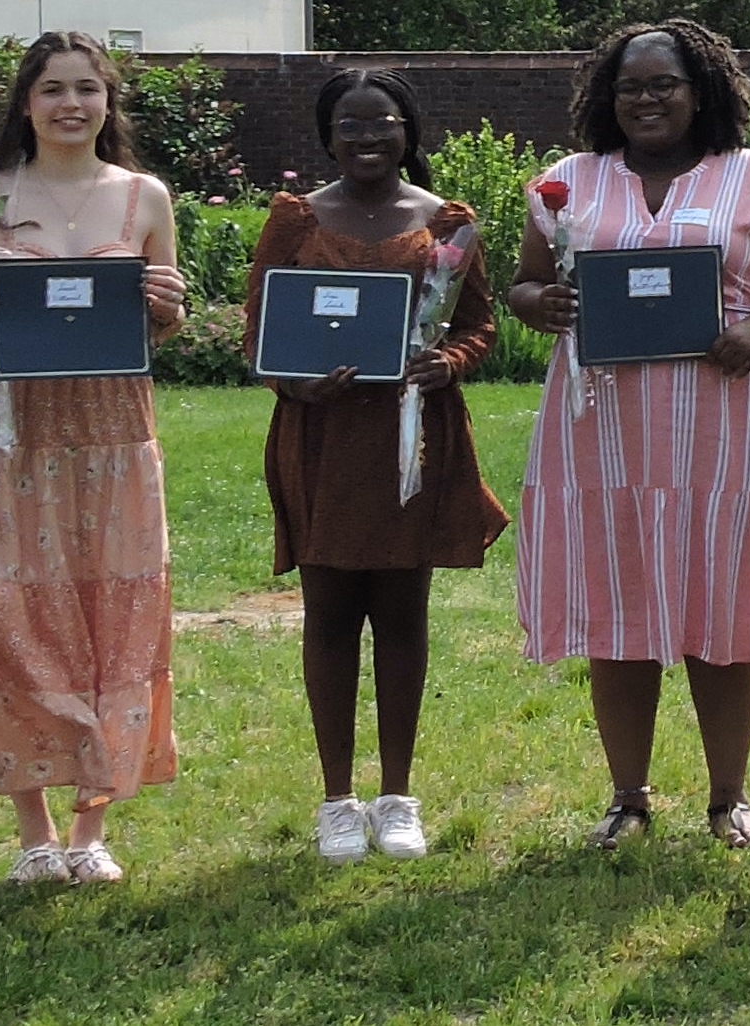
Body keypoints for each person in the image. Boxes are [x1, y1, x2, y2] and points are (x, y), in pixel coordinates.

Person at [501, 19, 750, 851]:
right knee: (618, 606)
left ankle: (728, 798)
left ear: (701, 91)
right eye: (630, 86)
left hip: (727, 423)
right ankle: (627, 799)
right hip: (605, 434)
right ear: (607, 97)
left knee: (726, 612)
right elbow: (524, 285)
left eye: (664, 84)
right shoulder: (568, 183)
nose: (647, 99)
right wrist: (539, 305)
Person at [0, 31, 193, 887]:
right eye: (53, 90)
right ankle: (33, 831)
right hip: (11, 431)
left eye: (87, 88)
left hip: (113, 433)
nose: (71, 104)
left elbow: (165, 322)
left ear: (108, 102)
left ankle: (91, 832)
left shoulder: (144, 197)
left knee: (112, 613)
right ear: (27, 104)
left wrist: (169, 307)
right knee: (11, 608)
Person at [250, 67, 511, 863]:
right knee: (328, 617)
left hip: (412, 439)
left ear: (409, 130)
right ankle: (338, 800)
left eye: (383, 122)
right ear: (328, 137)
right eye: (350, 125)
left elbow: (480, 324)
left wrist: (450, 364)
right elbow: (260, 325)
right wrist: (293, 379)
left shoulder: (448, 224)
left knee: (402, 617)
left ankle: (397, 796)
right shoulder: (296, 219)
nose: (367, 137)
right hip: (321, 439)